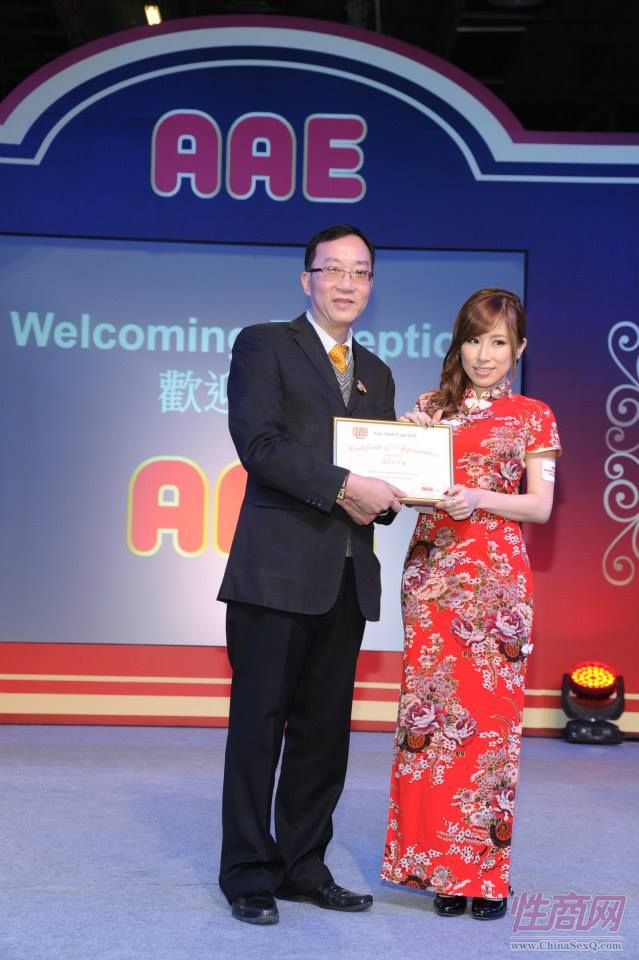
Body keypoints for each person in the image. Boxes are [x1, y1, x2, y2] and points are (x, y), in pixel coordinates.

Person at [217, 224, 405, 925]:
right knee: (258, 726)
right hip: (274, 572)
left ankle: (303, 865)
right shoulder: (264, 344)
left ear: (371, 284)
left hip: (347, 575)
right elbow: (260, 445)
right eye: (333, 269)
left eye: (360, 271)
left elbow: (382, 476)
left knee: (324, 734)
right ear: (307, 279)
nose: (347, 283)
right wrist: (347, 486)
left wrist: (403, 485)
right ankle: (247, 873)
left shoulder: (377, 372)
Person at [381, 288, 561, 920]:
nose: (484, 354)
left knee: (488, 728)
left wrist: (479, 498)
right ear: (457, 344)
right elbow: (395, 489)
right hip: (431, 578)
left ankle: (483, 877)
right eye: (474, 340)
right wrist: (404, 442)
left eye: (498, 342)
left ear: (519, 349)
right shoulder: (431, 408)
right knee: (431, 725)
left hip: (495, 583)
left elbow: (539, 506)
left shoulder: (534, 415)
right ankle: (438, 871)